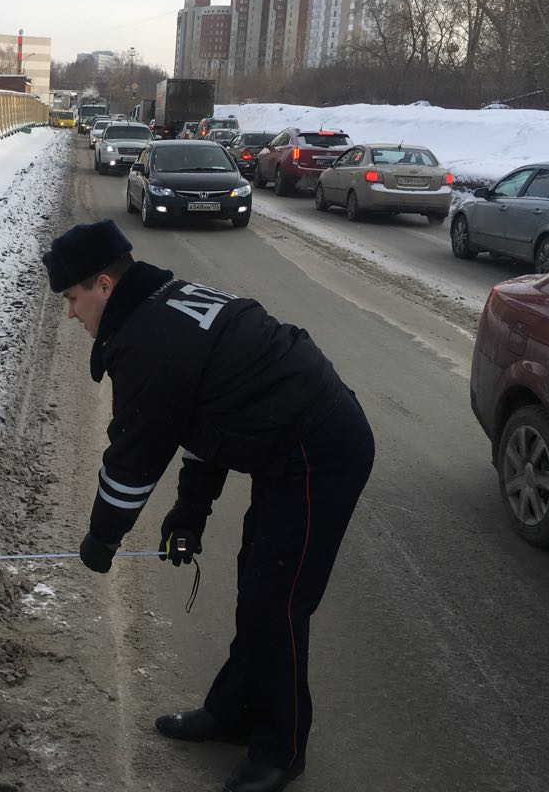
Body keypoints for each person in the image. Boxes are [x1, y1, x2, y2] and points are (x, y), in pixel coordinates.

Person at [41, 219, 375, 792]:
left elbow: (134, 458)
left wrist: (103, 537)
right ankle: (234, 712)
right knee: (258, 581)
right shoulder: (161, 306)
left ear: (103, 283)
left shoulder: (149, 341)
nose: (71, 314)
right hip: (282, 447)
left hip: (321, 449)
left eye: (72, 299)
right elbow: (208, 415)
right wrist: (191, 510)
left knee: (278, 599)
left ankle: (280, 749)